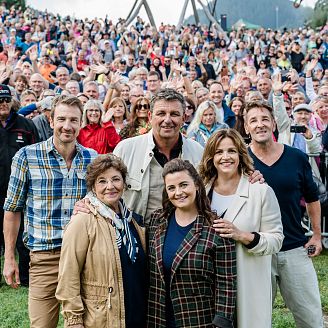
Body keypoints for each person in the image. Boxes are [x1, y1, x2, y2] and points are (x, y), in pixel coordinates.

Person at [3, 95, 97, 328]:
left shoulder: (92, 159)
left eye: (74, 120)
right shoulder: (27, 156)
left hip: (84, 257)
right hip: (45, 257)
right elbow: (13, 209)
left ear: (81, 123)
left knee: (83, 323)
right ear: (51, 120)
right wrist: (9, 258)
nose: (68, 125)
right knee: (42, 324)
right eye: (62, 119)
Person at [244, 100, 324, 328]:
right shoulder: (240, 161)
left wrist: (316, 236)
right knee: (255, 321)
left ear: (274, 124)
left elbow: (312, 198)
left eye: (264, 119)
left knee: (311, 318)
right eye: (254, 120)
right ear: (247, 128)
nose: (260, 124)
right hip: (255, 252)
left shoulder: (296, 157)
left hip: (293, 248)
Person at [199, 128, 284, 328]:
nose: (225, 157)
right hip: (208, 286)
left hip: (247, 284)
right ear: (211, 157)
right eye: (219, 152)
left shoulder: (260, 191)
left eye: (231, 151)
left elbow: (276, 239)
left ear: (240, 154)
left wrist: (243, 235)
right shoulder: (201, 191)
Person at [56, 154, 147, 328]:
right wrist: (74, 321)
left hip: (137, 314)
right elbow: (68, 274)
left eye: (115, 179)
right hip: (104, 319)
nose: (110, 186)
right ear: (93, 186)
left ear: (124, 183)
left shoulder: (132, 221)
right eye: (102, 181)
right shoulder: (83, 221)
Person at [147, 158, 236, 328]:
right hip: (158, 318)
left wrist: (222, 322)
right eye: (171, 188)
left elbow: (227, 284)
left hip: (198, 319)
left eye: (183, 185)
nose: (178, 192)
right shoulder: (157, 221)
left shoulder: (216, 228)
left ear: (196, 184)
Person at [113, 88, 204, 223]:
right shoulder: (126, 149)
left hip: (183, 238)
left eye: (174, 114)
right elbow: (106, 189)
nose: (167, 120)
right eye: (161, 113)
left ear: (184, 118)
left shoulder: (198, 152)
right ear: (150, 117)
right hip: (137, 236)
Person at [0, 84, 40, 286]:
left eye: (6, 100)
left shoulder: (26, 125)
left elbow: (37, 155)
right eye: (0, 100)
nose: (3, 104)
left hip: (21, 189)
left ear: (12, 101)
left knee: (25, 235)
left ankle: (25, 277)